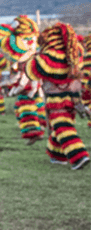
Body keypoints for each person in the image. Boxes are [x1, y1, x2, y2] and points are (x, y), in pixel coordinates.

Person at [24, 23, 89, 170]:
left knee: (63, 127)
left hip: (56, 99)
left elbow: (31, 72)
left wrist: (31, 56)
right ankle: (57, 156)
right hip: (73, 97)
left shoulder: (47, 57)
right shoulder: (76, 52)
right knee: (59, 126)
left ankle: (79, 156)